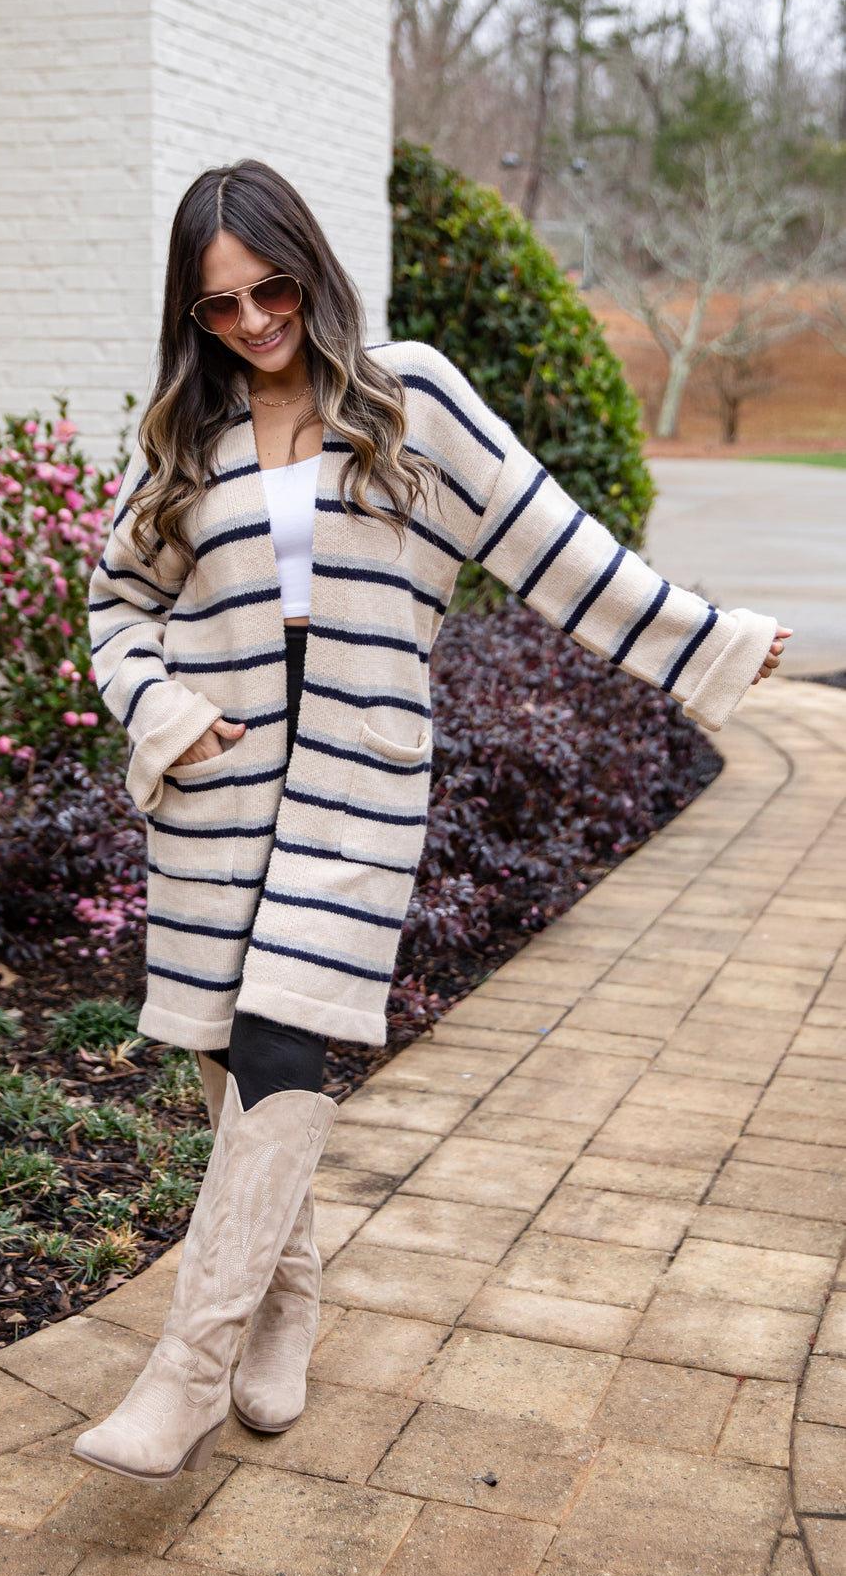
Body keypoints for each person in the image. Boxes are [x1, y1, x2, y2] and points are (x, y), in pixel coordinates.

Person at [73, 158, 791, 1483]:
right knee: (231, 1069)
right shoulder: (185, 437)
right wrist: (161, 708)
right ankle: (289, 1300)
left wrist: (711, 640)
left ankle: (185, 1369)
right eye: (219, 305)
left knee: (289, 1054)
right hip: (216, 804)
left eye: (271, 288)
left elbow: (555, 544)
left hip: (358, 789)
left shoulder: (413, 401)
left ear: (313, 267)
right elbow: (115, 610)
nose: (252, 324)